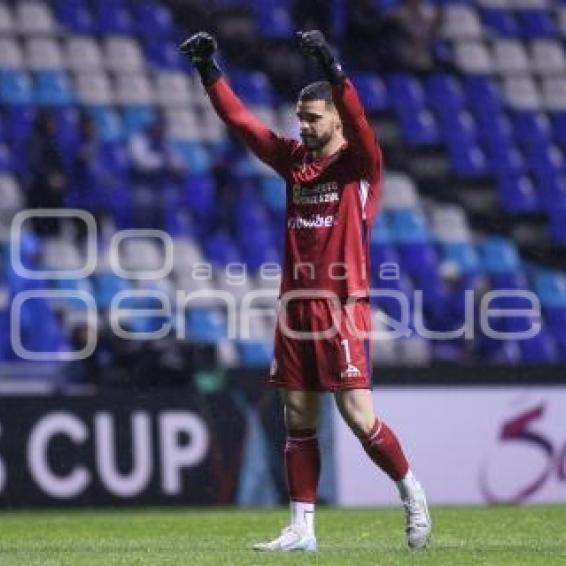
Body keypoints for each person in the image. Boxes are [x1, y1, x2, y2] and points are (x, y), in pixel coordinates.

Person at [180, 30, 431, 551]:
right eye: (300, 117)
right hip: (295, 309)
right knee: (297, 417)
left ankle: (411, 492)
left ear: (335, 119)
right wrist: (210, 71)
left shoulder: (360, 165)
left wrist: (333, 68)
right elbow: (242, 123)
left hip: (342, 307)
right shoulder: (295, 163)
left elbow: (361, 121)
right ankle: (303, 529)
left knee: (358, 417)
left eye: (313, 117)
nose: (304, 124)